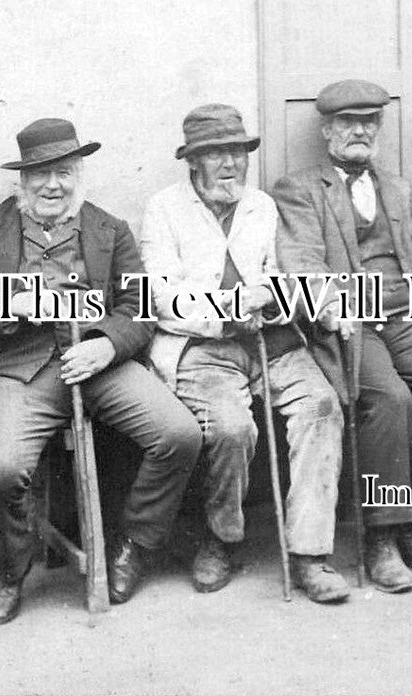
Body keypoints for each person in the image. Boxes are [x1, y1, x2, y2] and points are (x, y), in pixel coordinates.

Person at [0, 118, 202, 624]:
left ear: (78, 173)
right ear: (22, 181)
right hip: (20, 368)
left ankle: (134, 545)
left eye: (62, 171)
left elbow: (138, 306)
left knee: (180, 434)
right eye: (39, 174)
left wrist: (106, 345)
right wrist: (9, 303)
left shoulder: (110, 230)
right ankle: (13, 564)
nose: (52, 185)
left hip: (97, 364)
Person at [272, 79, 412, 594]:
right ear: (328, 130)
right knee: (391, 399)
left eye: (369, 122)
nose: (360, 131)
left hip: (406, 314)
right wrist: (329, 302)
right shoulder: (299, 189)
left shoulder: (398, 188)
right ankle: (380, 539)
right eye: (349, 123)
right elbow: (300, 259)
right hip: (349, 322)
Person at [139, 104, 348, 603]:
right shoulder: (164, 208)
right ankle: (222, 538)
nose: (230, 164)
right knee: (231, 428)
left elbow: (281, 269)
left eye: (237, 152)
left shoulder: (262, 205)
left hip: (270, 341)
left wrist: (270, 297)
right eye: (215, 154)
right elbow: (160, 294)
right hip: (201, 346)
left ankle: (309, 554)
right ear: (193, 162)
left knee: (322, 408)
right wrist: (227, 308)